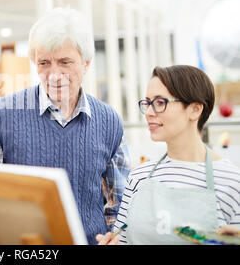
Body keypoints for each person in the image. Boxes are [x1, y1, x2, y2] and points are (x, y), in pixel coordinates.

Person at [0, 7, 131, 245]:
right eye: (44, 63)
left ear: (87, 63)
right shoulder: (1, 115)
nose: (54, 74)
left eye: (65, 62)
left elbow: (121, 203)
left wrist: (115, 237)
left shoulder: (108, 121)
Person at [96, 65, 240, 245]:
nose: (148, 113)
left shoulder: (232, 181)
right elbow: (123, 240)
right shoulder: (139, 177)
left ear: (195, 109)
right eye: (147, 103)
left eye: (159, 103)